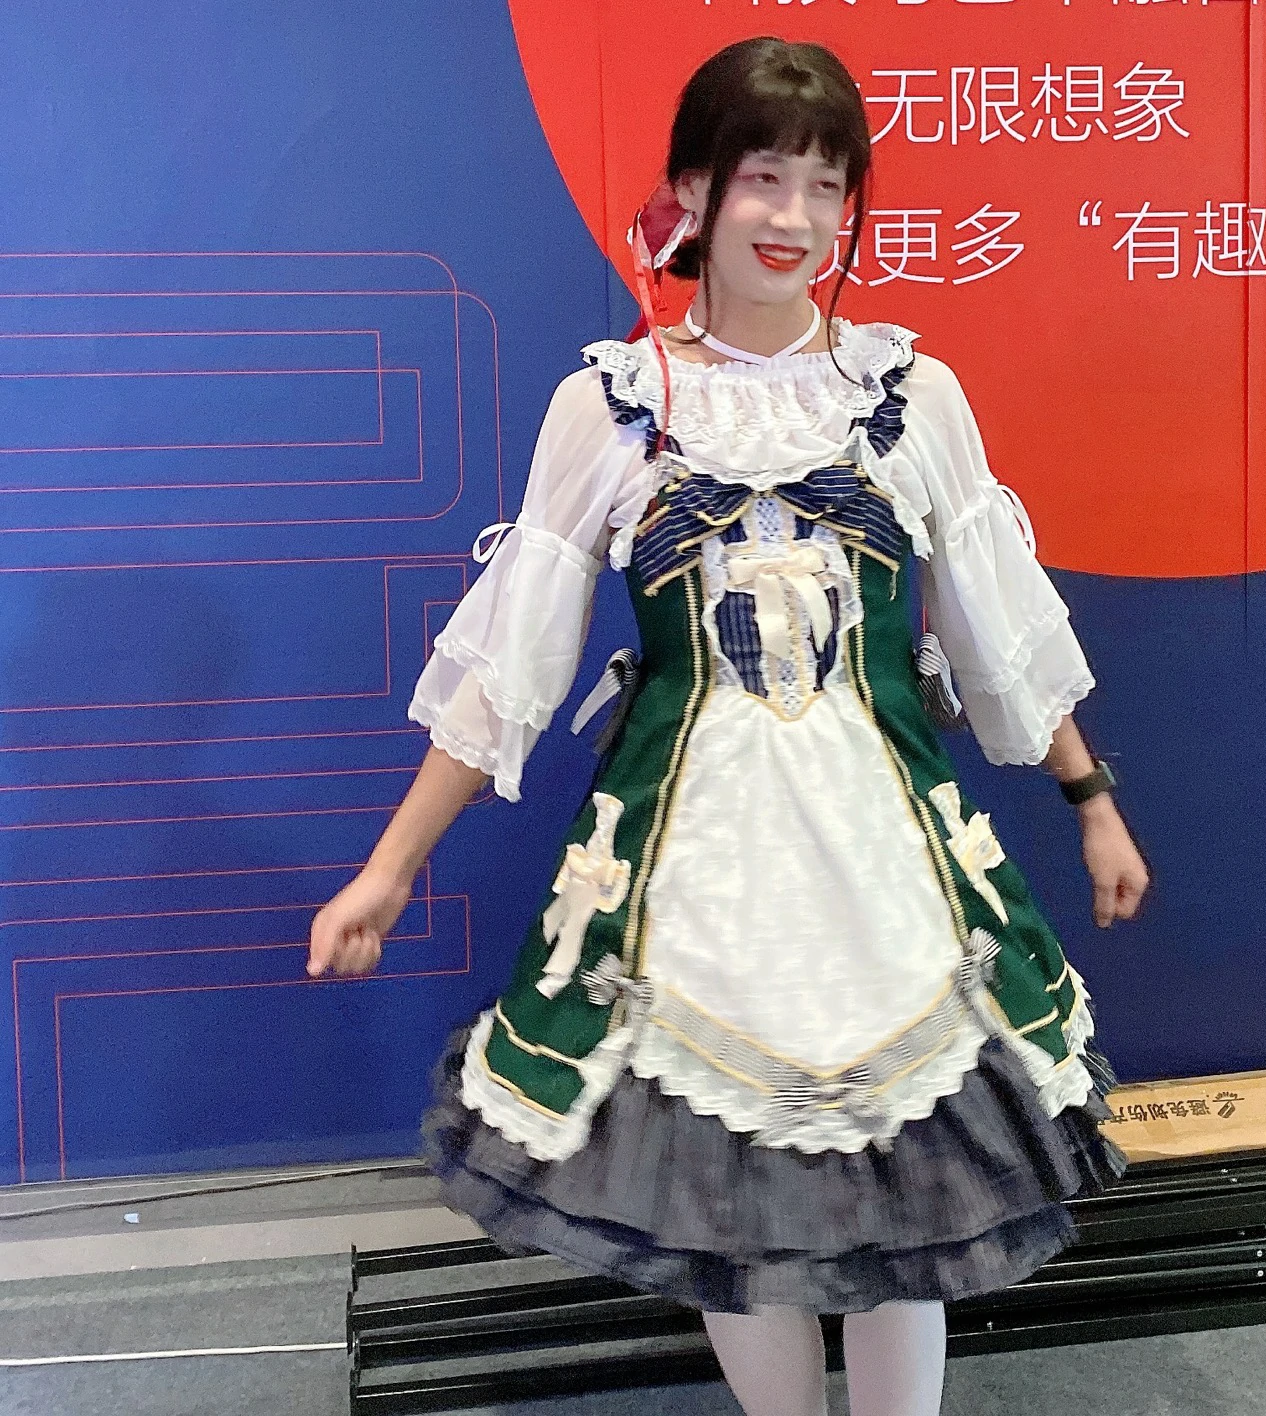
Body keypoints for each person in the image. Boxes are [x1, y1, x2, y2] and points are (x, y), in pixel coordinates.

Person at [307, 36, 1150, 1416]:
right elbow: (510, 668)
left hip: (883, 864)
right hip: (691, 871)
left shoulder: (908, 399)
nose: (794, 218)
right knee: (730, 1216)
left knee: (907, 1201)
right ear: (694, 188)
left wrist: (1089, 801)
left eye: (825, 186)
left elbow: (1000, 632)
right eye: (764, 177)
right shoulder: (614, 408)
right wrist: (388, 870)